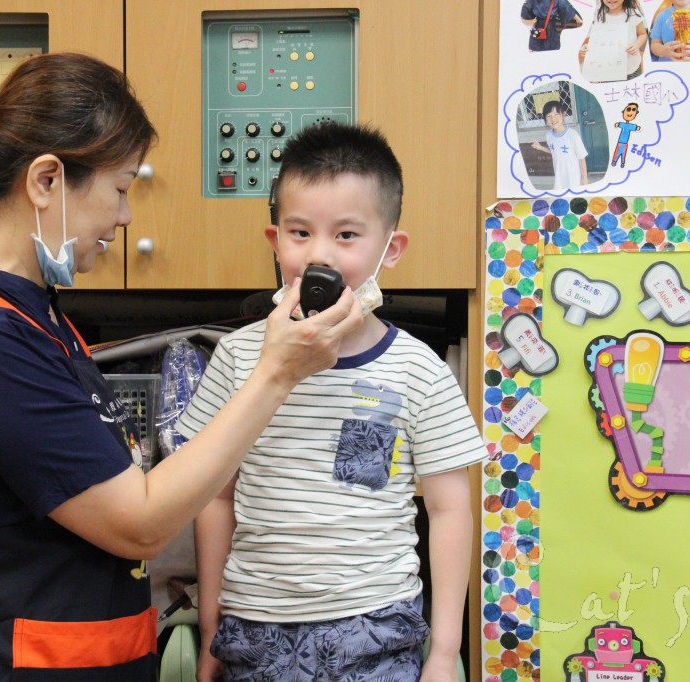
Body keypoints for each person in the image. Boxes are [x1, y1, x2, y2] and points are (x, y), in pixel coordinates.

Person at [0, 52, 363, 681]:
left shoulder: (31, 314)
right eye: (119, 189)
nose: (124, 216)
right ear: (45, 181)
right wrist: (276, 373)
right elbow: (139, 523)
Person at [176, 122, 486, 682]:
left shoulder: (419, 369)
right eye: (300, 232)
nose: (318, 254)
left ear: (391, 249)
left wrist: (444, 652)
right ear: (275, 241)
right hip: (255, 627)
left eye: (346, 235)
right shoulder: (237, 357)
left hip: (376, 625)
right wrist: (211, 627)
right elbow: (213, 499)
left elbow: (449, 510)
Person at [578, 0, 648, 81]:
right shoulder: (598, 15)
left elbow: (643, 34)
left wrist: (637, 44)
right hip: (607, 69)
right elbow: (595, 38)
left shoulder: (633, 14)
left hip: (631, 69)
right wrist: (586, 48)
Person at [530, 100, 589, 189]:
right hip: (559, 176)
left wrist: (584, 177)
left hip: (573, 177)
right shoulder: (549, 136)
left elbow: (581, 157)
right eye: (549, 116)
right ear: (545, 119)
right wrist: (540, 147)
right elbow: (554, 151)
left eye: (556, 114)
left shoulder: (572, 135)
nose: (553, 119)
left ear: (563, 115)